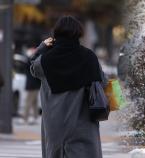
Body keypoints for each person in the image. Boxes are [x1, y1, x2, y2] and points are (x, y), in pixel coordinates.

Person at [30, 16, 103, 158]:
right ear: (79, 33)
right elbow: (103, 83)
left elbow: (32, 65)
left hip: (55, 127)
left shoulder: (45, 61)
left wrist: (43, 47)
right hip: (83, 126)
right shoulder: (89, 57)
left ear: (56, 34)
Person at [23, 47, 41, 124]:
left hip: (33, 85)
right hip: (33, 85)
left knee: (31, 102)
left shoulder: (32, 60)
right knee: (31, 101)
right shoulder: (30, 60)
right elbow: (28, 63)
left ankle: (29, 118)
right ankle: (30, 117)